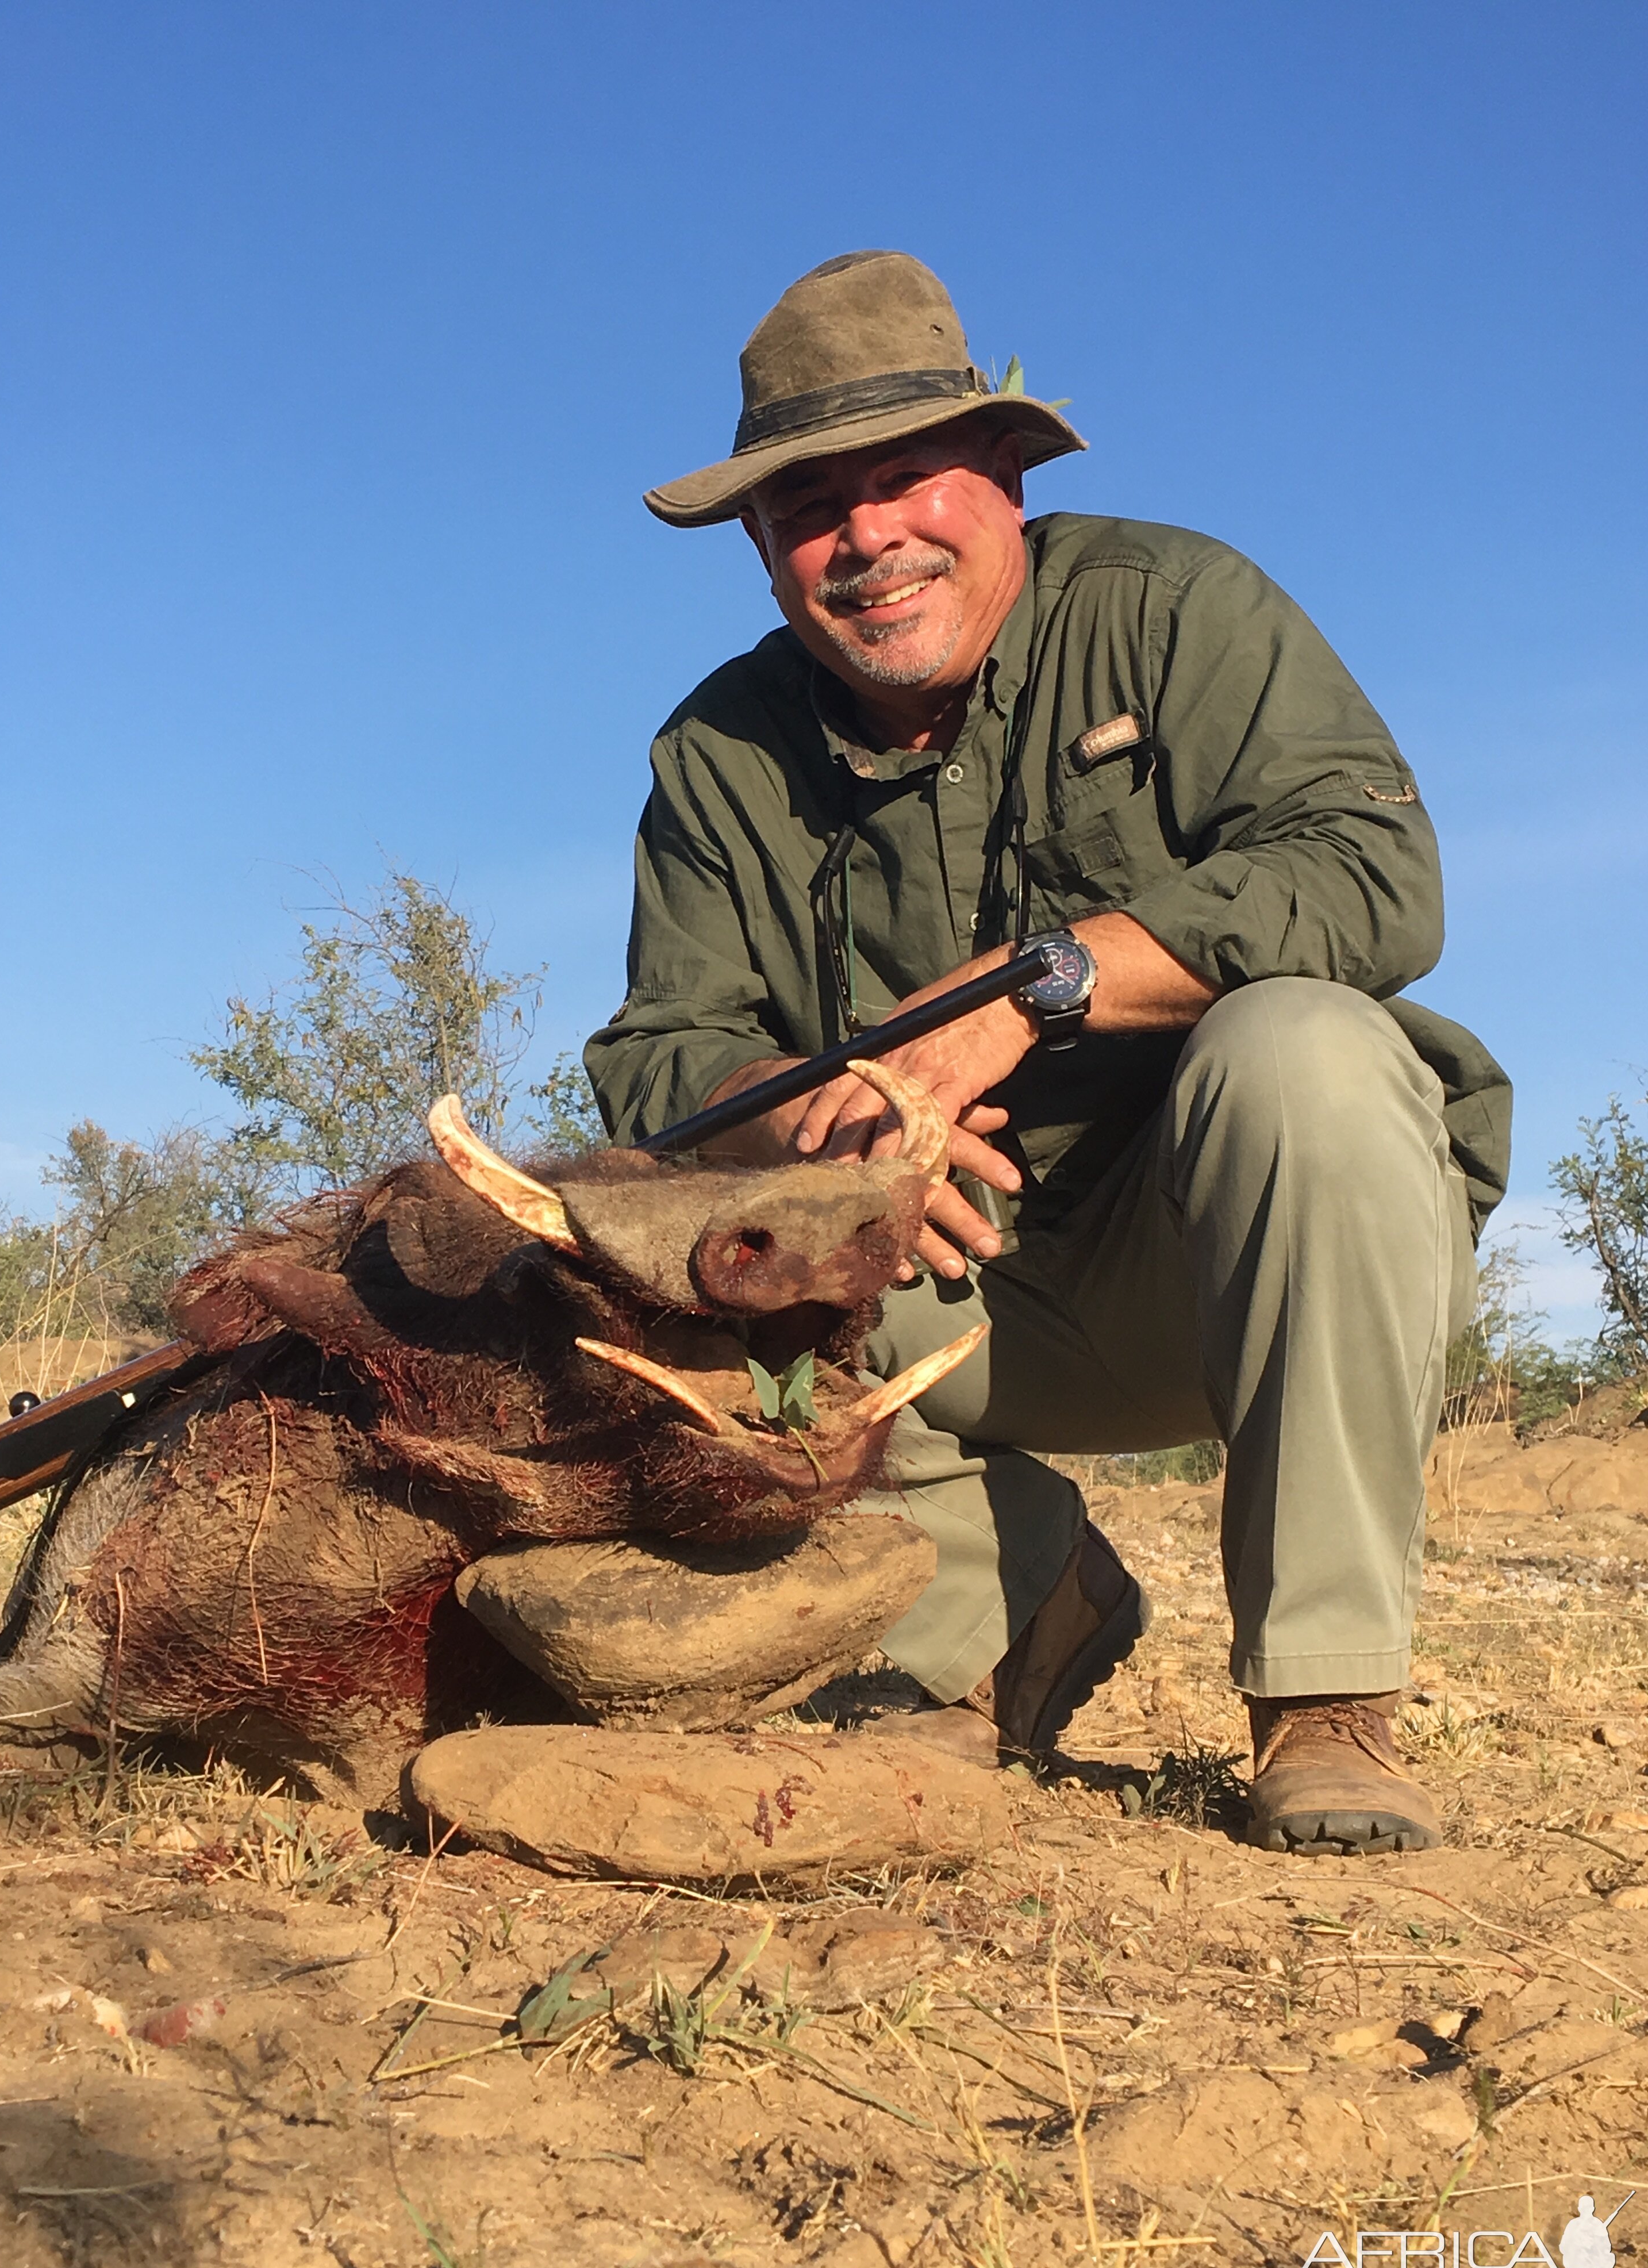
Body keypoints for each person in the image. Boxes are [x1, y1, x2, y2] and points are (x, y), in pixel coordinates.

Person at [585, 250, 1511, 1854]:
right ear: (759, 543)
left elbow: (1377, 875)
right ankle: (999, 1615)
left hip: (1250, 1263)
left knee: (1305, 1045)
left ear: (1005, 473)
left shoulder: (1180, 608)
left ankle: (1326, 1704)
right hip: (955, 1302)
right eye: (810, 504)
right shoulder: (713, 750)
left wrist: (1038, 990)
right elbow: (665, 1056)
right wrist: (819, 1135)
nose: (866, 538)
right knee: (658, 1239)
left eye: (902, 478)